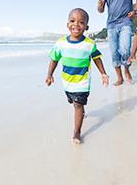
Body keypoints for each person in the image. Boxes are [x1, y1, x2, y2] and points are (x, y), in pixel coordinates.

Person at [46, 8, 109, 144]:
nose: (76, 24)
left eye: (81, 22)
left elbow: (97, 59)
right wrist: (49, 74)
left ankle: (77, 132)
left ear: (86, 27)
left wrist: (103, 73)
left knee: (77, 104)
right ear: (67, 24)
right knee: (74, 103)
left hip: (82, 82)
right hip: (67, 82)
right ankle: (81, 113)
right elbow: (54, 59)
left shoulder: (89, 44)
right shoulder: (60, 43)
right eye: (72, 21)